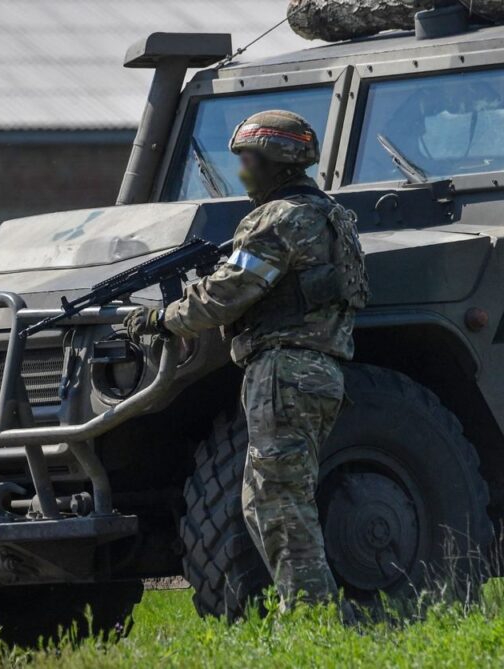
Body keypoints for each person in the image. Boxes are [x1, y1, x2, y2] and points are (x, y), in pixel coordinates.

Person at [125, 110, 368, 614]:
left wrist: (162, 319)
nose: (241, 172)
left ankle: (312, 615)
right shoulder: (330, 215)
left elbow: (228, 292)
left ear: (276, 162)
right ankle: (305, 609)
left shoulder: (278, 220)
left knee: (279, 500)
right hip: (314, 371)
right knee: (265, 498)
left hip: (284, 371)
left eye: (249, 161)